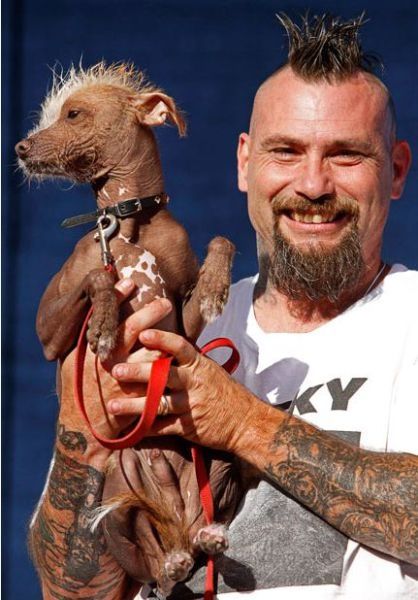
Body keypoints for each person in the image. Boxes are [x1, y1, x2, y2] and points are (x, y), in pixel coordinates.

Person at [29, 13, 418, 600]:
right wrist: (79, 426)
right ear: (243, 163)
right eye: (285, 151)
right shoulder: (173, 318)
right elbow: (67, 592)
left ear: (395, 171)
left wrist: (240, 421)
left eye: (346, 155)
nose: (312, 184)